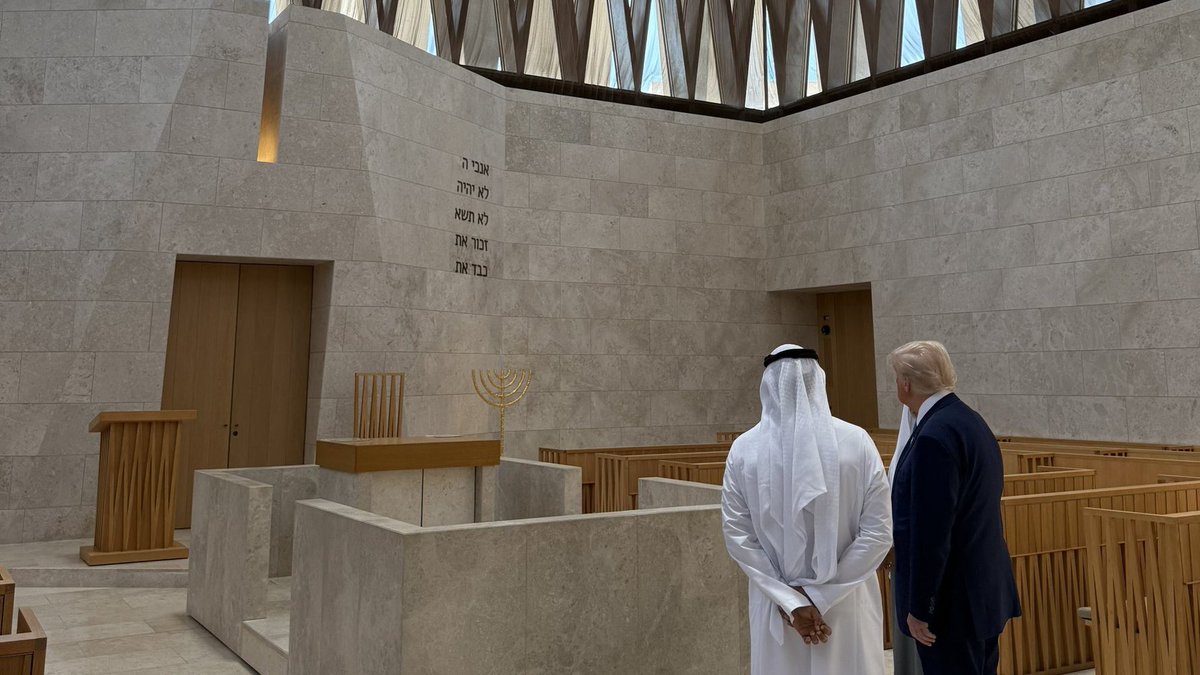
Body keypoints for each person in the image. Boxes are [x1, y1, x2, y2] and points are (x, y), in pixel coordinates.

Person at [722, 344, 893, 675]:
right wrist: (819, 597)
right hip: (844, 602)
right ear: (819, 381)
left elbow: (738, 538)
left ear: (768, 384)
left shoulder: (744, 450)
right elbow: (878, 533)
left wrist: (794, 602)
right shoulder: (857, 441)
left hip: (781, 609)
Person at [888, 341, 1021, 675]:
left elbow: (932, 530)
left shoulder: (934, 435)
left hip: (951, 603)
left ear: (906, 384)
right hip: (982, 590)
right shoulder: (971, 421)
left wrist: (920, 607)